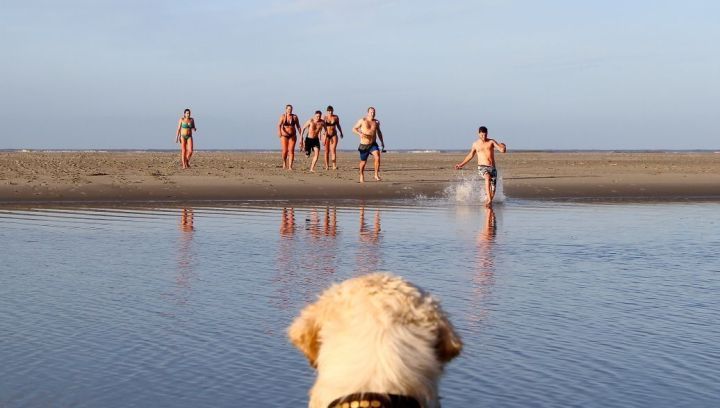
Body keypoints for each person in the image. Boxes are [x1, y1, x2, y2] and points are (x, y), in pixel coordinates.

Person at [455, 126, 507, 206]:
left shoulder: (491, 142)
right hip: (482, 167)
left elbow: (501, 150)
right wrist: (461, 164)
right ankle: (489, 200)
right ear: (478, 134)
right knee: (487, 177)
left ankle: (488, 205)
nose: (484, 137)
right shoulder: (475, 144)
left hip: (492, 168)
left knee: (493, 190)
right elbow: (470, 155)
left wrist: (503, 147)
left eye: (485, 135)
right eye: (482, 135)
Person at [352, 107, 385, 183]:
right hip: (364, 145)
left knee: (377, 156)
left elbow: (379, 132)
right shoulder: (362, 120)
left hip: (373, 143)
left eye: (374, 112)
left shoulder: (376, 122)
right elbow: (354, 129)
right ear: (368, 113)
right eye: (371, 112)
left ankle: (376, 174)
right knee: (363, 162)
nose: (372, 114)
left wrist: (382, 142)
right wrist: (359, 133)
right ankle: (361, 174)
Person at [277, 104, 302, 170]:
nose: (289, 110)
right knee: (285, 151)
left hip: (292, 135)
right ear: (286, 109)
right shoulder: (283, 116)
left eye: (291, 109)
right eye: (288, 109)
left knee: (291, 151)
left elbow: (298, 126)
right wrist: (279, 132)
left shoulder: (294, 117)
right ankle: (284, 162)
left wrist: (301, 135)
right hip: (284, 136)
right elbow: (279, 125)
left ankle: (290, 166)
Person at [322, 105, 344, 170]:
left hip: (334, 134)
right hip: (326, 135)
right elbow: (321, 126)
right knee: (326, 151)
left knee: (333, 150)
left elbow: (338, 125)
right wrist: (321, 135)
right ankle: (327, 166)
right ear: (327, 111)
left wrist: (341, 132)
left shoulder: (336, 117)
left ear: (333, 111)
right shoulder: (324, 117)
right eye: (329, 111)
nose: (330, 112)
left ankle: (334, 165)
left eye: (331, 111)